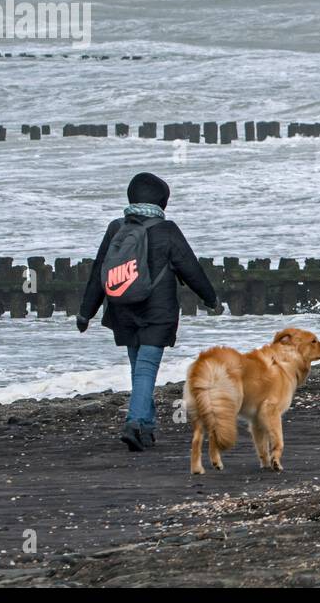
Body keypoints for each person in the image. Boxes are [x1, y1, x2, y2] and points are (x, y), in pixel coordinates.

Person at [77, 172, 218, 451]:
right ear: (163, 202)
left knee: (139, 368)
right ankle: (135, 422)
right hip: (157, 312)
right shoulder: (166, 230)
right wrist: (210, 298)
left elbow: (98, 274)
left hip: (122, 311)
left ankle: (147, 426)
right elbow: (190, 268)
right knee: (146, 368)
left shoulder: (116, 228)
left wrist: (85, 313)